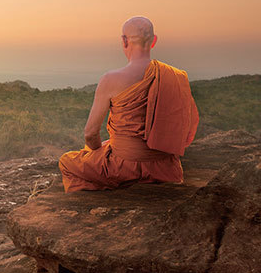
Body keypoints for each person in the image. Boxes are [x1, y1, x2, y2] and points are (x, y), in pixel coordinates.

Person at [58, 16, 199, 193]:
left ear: (124, 41)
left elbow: (90, 134)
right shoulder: (176, 76)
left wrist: (98, 153)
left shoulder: (111, 80)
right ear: (154, 41)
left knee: (67, 161)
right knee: (109, 145)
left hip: (122, 168)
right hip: (165, 169)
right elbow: (184, 129)